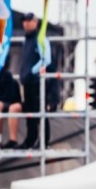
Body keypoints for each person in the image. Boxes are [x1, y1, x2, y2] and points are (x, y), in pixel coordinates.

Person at [19, 13, 58, 149]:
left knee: (39, 112)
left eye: (29, 20)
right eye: (25, 21)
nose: (26, 23)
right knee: (29, 113)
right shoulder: (27, 40)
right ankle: (31, 139)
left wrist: (32, 71)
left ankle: (43, 141)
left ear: (36, 22)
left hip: (37, 82)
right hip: (28, 82)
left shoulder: (40, 39)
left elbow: (46, 59)